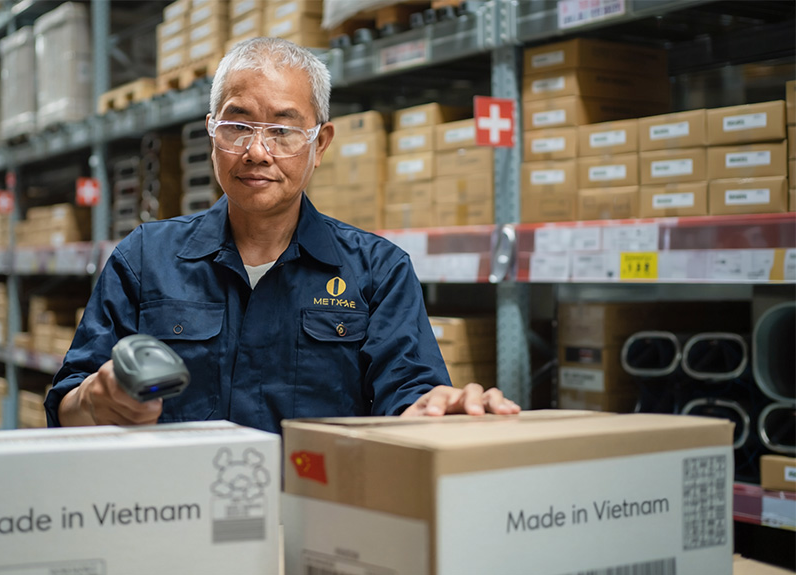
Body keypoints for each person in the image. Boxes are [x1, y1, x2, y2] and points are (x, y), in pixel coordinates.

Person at [44, 37, 520, 434]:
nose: (256, 151)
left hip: (316, 506)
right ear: (212, 133)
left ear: (320, 144)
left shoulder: (378, 272)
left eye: (282, 131)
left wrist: (435, 411)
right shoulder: (145, 258)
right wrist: (93, 401)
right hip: (176, 507)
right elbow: (67, 404)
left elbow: (409, 395)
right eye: (237, 126)